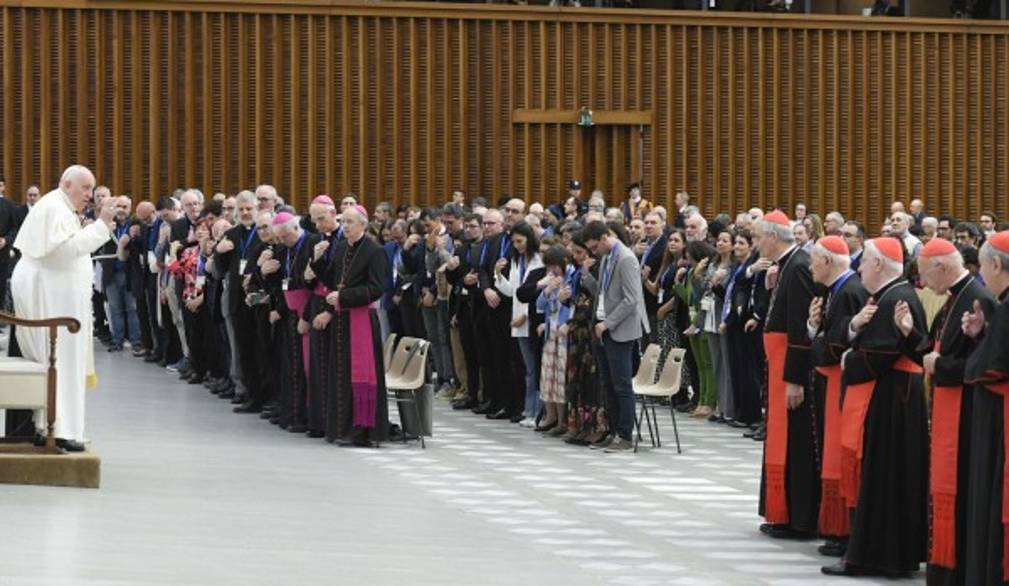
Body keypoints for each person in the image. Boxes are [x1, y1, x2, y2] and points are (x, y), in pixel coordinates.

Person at [822, 237, 928, 578]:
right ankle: (881, 553)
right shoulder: (887, 296)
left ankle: (877, 556)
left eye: (864, 261)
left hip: (892, 401)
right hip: (890, 398)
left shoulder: (897, 297)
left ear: (880, 264)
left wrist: (850, 357)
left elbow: (881, 353)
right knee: (882, 478)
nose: (859, 267)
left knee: (884, 477)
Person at [908, 238, 995, 586]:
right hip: (948, 408)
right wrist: (910, 336)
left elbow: (982, 366)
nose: (923, 283)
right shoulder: (951, 299)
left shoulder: (979, 298)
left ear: (941, 267)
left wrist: (939, 365)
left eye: (926, 274)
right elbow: (933, 349)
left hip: (967, 414)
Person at [12, 165, 116, 452]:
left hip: (55, 293)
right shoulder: (55, 207)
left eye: (92, 189)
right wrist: (102, 225)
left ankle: (53, 425)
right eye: (85, 188)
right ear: (66, 184)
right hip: (51, 297)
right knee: (58, 360)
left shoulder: (60, 206)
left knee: (58, 361)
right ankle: (58, 428)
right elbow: (62, 252)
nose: (90, 195)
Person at [754, 210, 819, 540]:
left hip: (790, 371)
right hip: (779, 366)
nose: (756, 243)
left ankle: (799, 519)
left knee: (797, 445)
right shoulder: (786, 267)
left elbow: (799, 330)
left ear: (773, 236)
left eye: (758, 236)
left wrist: (794, 378)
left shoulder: (798, 266)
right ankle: (783, 513)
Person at [806, 235, 868, 559]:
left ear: (827, 262)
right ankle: (836, 530)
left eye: (814, 259)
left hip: (843, 384)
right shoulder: (836, 290)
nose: (810, 265)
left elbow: (835, 347)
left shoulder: (848, 292)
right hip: (833, 384)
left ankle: (842, 531)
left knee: (839, 456)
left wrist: (816, 337)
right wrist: (814, 326)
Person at [315, 205, 389, 447]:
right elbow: (333, 279)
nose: (344, 226)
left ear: (363, 224)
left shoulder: (375, 250)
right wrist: (317, 260)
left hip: (362, 322)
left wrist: (343, 297)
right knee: (341, 375)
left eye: (349, 221)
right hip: (341, 321)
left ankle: (361, 432)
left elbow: (377, 288)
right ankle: (342, 429)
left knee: (359, 376)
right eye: (343, 221)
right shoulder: (341, 247)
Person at [961, 230, 1009, 586]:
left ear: (995, 263)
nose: (980, 274)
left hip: (999, 425)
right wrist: (983, 334)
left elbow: (989, 369)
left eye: (982, 265)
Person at [582, 220, 649, 452]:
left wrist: (608, 323)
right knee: (608, 385)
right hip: (603, 328)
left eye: (593, 247)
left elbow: (631, 300)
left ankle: (625, 435)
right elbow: (604, 292)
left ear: (604, 237)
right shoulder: (607, 259)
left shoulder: (627, 258)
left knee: (622, 386)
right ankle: (613, 432)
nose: (593, 251)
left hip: (619, 330)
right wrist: (585, 277)